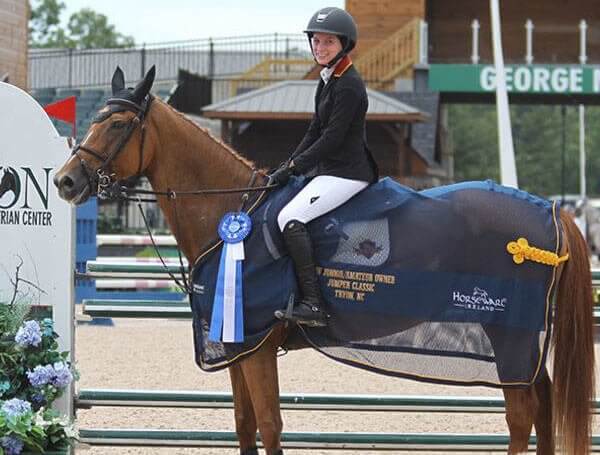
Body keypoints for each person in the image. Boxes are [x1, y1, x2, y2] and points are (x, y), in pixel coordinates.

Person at [270, 6, 379, 327]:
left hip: (348, 173)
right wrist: (287, 164)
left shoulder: (349, 85)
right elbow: (314, 131)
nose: (319, 48)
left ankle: (314, 305)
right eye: (316, 42)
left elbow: (331, 139)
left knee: (290, 218)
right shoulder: (328, 79)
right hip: (330, 171)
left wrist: (296, 168)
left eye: (327, 42)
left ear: (344, 45)